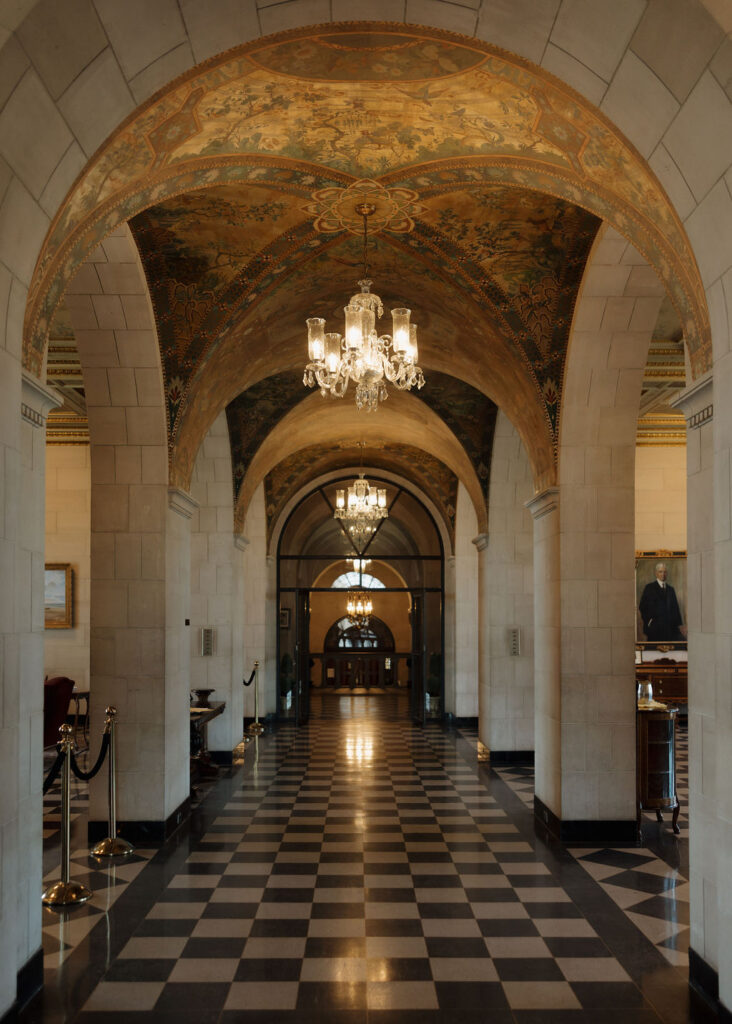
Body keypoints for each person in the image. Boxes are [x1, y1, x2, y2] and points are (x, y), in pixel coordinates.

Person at [639, 562, 687, 642]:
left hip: (670, 629)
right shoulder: (649, 588)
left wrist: (678, 625)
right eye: (660, 572)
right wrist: (649, 621)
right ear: (656, 573)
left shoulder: (671, 589)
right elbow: (642, 607)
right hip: (654, 628)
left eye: (664, 572)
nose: (663, 574)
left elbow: (675, 609)